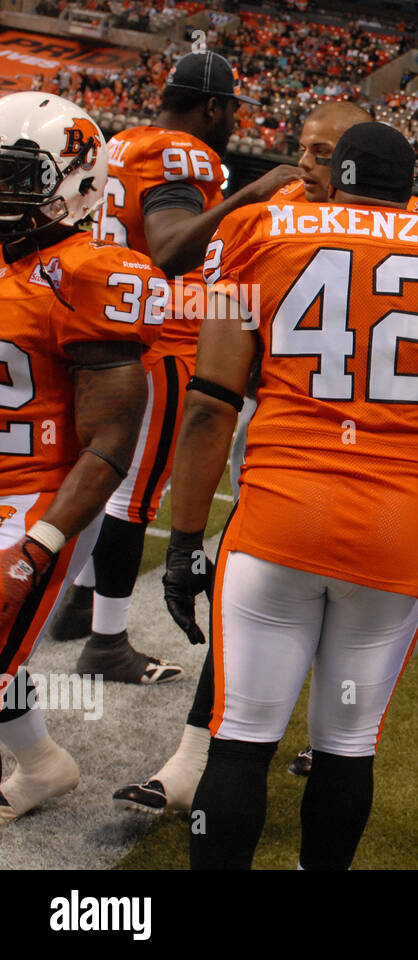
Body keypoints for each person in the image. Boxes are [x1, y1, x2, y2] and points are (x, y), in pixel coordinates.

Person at [164, 122, 418, 869]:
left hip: (279, 519)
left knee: (243, 741)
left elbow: (211, 403)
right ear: (409, 187)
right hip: (393, 531)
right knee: (346, 747)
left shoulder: (260, 231)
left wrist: (186, 543)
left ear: (338, 175)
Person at [47, 52, 299, 688]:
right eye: (231, 110)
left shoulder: (125, 139)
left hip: (104, 326)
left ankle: (78, 602)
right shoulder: (183, 154)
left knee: (100, 476)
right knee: (132, 496)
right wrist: (250, 196)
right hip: (158, 338)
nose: (234, 122)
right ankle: (107, 643)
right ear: (212, 106)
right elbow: (169, 246)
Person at [0, 93, 163, 821]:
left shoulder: (90, 273)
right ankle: (40, 762)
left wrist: (39, 544)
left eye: (19, 178)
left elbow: (109, 444)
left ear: (78, 180)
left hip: (37, 495)